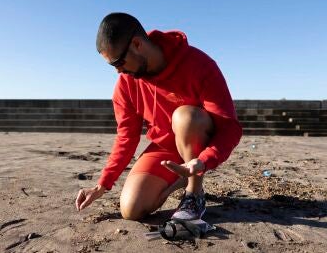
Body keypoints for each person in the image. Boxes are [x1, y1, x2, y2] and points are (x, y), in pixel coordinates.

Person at [75, 12, 242, 221]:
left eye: (118, 62)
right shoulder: (126, 84)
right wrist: (102, 184)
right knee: (132, 209)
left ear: (137, 44)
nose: (118, 71)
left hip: (198, 140)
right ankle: (179, 179)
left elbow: (230, 127)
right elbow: (127, 137)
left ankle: (194, 194)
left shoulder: (199, 64)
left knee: (184, 117)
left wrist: (203, 160)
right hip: (164, 149)